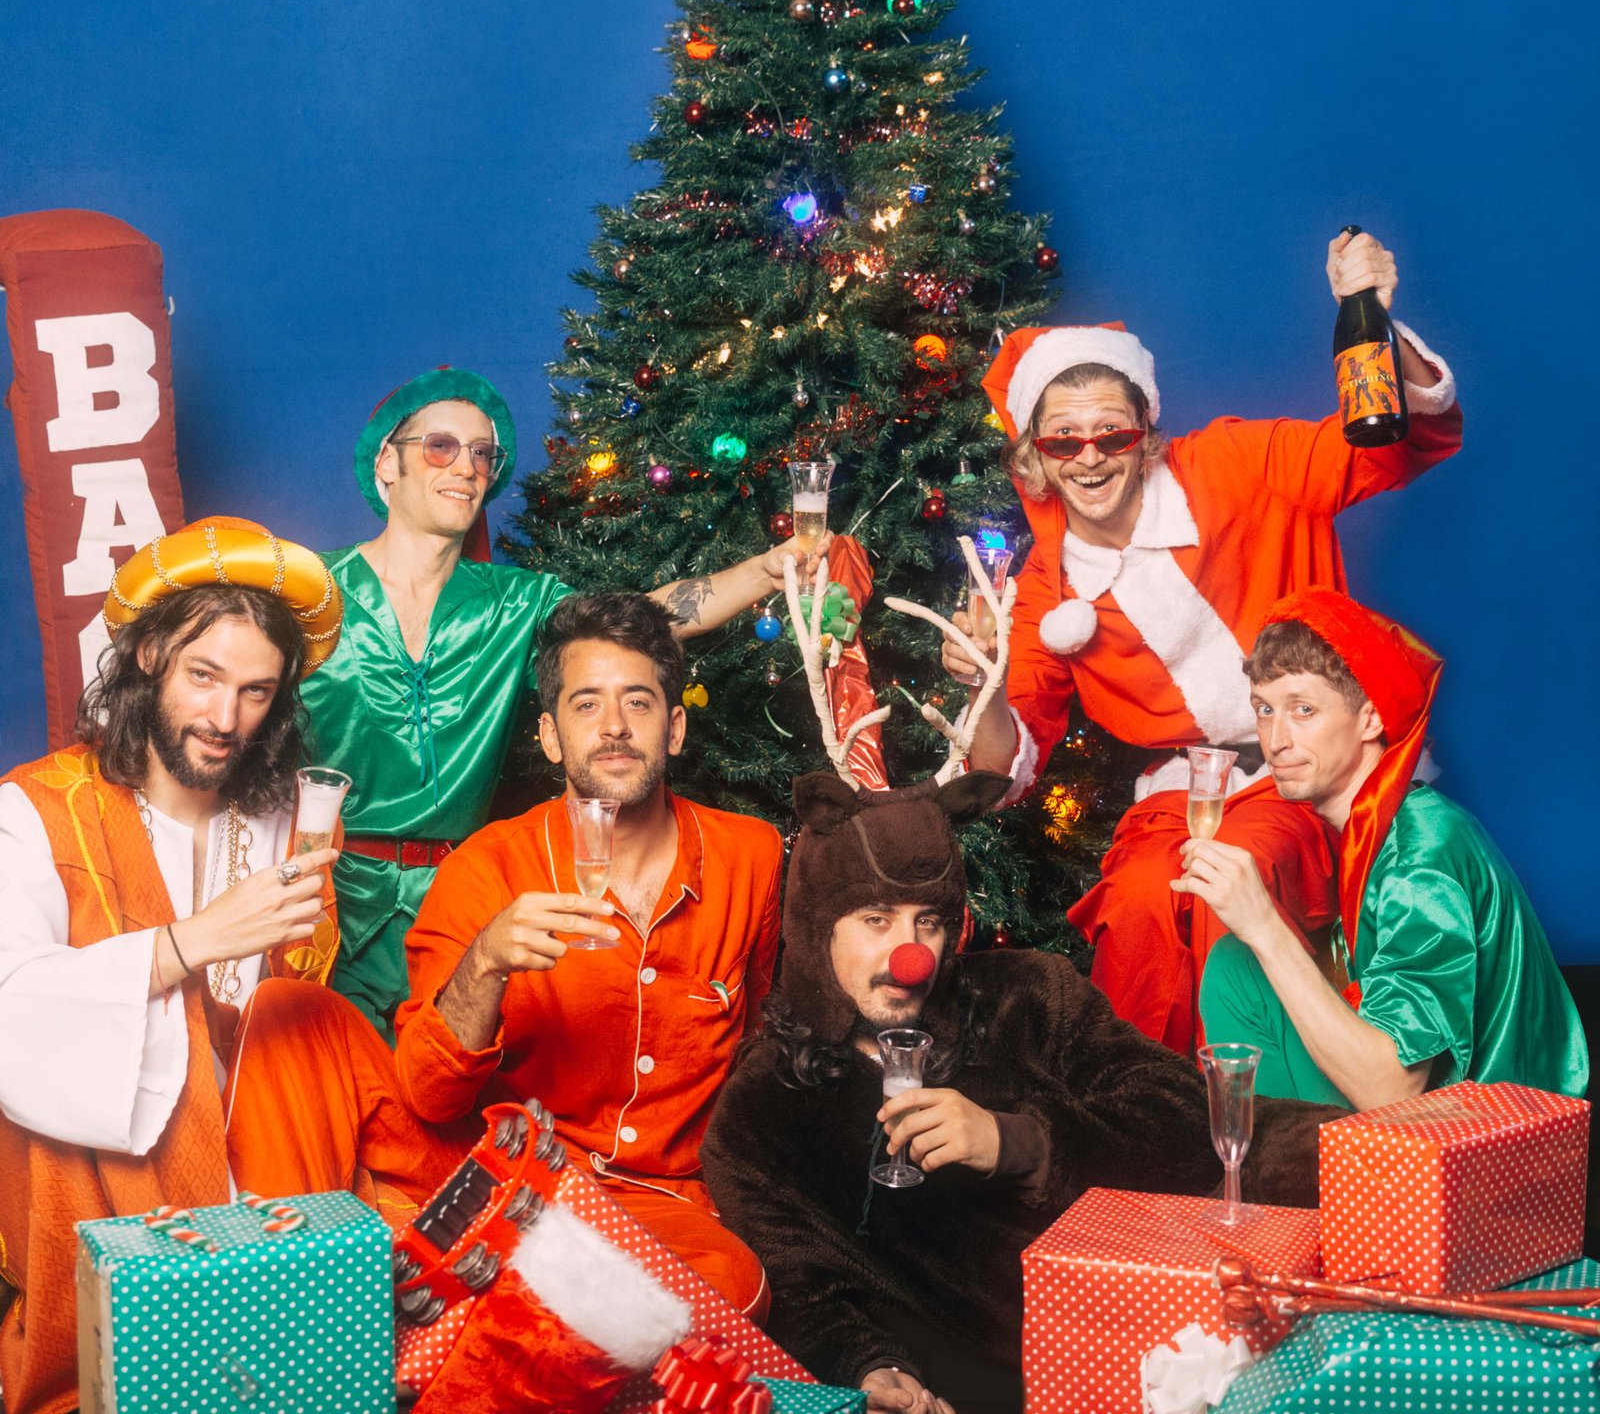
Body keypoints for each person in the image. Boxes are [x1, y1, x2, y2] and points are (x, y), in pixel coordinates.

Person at [944, 231, 1463, 1053]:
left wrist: (1375, 326)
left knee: (1234, 888)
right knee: (1143, 901)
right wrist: (986, 683)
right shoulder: (1043, 587)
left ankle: (1260, 1125)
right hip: (1182, 791)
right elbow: (1010, 767)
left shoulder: (1233, 464)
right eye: (1063, 440)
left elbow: (1388, 449)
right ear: (1034, 456)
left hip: (1310, 773)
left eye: (1111, 435)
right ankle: (1139, 1121)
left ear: (1145, 433)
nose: (1089, 458)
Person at [0, 518, 462, 1414]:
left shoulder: (288, 816)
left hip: (281, 1154)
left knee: (310, 1021)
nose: (225, 720)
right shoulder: (32, 812)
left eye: (256, 691)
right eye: (203, 677)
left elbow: (312, 1012)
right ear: (144, 658)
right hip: (118, 1171)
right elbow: (11, 1007)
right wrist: (191, 942)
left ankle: (334, 1311)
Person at [701, 769, 1332, 1414]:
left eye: (929, 922)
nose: (909, 954)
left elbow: (1186, 1116)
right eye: (875, 919)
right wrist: (870, 1365)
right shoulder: (763, 1108)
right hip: (1016, 1378)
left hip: (1187, 1314)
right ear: (817, 930)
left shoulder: (1030, 995)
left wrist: (1019, 1143)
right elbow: (796, 1279)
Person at [301, 367, 825, 1039]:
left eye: (482, 453)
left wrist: (765, 570)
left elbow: (640, 622)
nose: (466, 466)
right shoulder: (308, 593)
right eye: (440, 446)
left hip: (465, 900)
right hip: (332, 902)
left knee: (452, 1089)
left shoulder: (519, 604)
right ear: (386, 462)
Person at [395, 592, 783, 1318]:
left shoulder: (749, 857)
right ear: (549, 736)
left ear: (674, 730)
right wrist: (484, 964)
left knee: (733, 1290)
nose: (613, 728)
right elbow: (426, 1095)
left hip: (665, 1202)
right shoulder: (486, 870)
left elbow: (761, 1041)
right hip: (523, 1183)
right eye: (586, 705)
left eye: (638, 703)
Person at [1183, 587, 1588, 1108]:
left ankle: (1289, 1171)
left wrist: (1264, 924)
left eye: (1303, 709)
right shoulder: (1373, 829)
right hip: (1432, 1116)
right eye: (1264, 710)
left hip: (1483, 1131)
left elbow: (1393, 1087)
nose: (1276, 739)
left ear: (1371, 719)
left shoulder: (1424, 855)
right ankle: (1279, 1167)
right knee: (1237, 965)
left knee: (1250, 953)